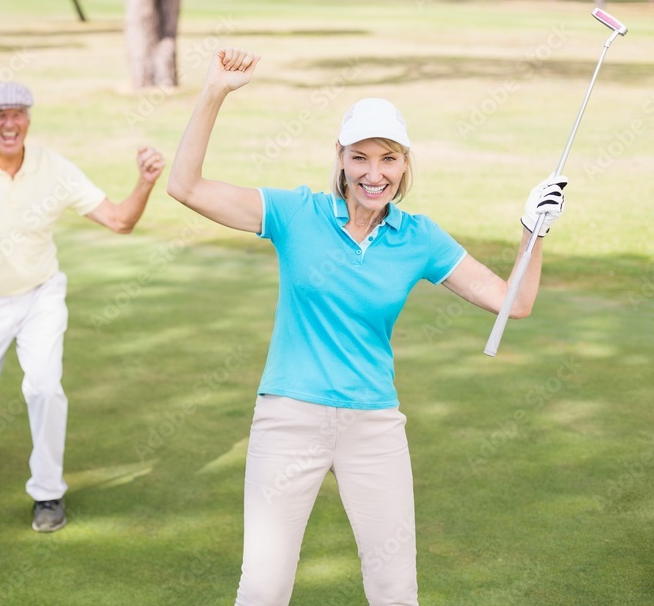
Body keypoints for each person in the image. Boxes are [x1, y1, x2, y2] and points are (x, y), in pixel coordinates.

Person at [166, 49, 567, 605]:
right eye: (360, 157)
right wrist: (214, 91)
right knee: (264, 586)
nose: (373, 174)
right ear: (340, 157)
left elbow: (513, 303)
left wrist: (532, 232)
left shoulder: (419, 238)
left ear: (404, 164)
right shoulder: (296, 213)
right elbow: (185, 187)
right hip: (289, 418)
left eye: (387, 159)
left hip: (373, 425)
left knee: (395, 590)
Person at [0, 81, 165, 532]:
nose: (9, 123)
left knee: (45, 388)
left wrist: (146, 181)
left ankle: (48, 493)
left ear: (29, 119)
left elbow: (120, 221)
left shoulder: (54, 168)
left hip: (40, 296)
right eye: (0, 114)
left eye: (17, 113)